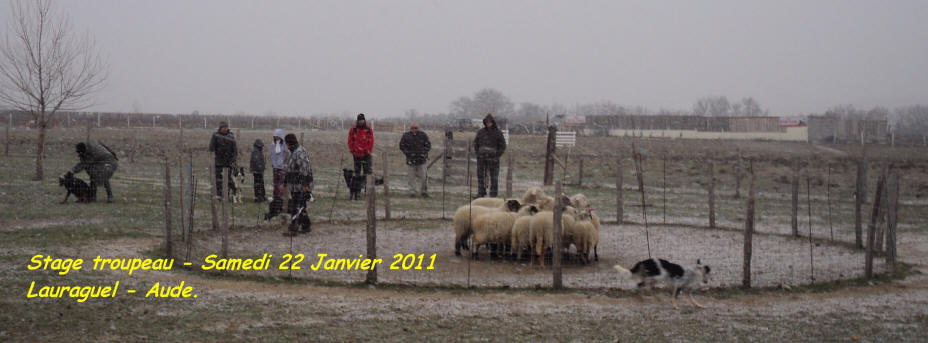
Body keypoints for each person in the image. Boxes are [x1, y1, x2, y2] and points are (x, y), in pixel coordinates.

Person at [283, 133, 314, 236]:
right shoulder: (293, 152)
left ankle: (293, 229)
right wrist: (285, 181)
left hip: (301, 186)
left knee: (296, 206)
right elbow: (290, 169)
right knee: (301, 206)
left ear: (289, 143)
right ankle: (306, 225)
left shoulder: (299, 152)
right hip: (295, 185)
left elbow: (305, 169)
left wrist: (305, 185)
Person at [473, 113, 506, 198]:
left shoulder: (498, 133)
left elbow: (503, 146)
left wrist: (497, 155)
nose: (488, 123)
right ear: (485, 122)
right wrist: (478, 153)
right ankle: (481, 192)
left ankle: (493, 194)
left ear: (493, 122)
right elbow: (475, 143)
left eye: (490, 122)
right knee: (480, 176)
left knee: (494, 178)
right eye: (487, 122)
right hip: (481, 159)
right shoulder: (481, 132)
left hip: (494, 159)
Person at [399, 122, 431, 197]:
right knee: (411, 178)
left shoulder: (423, 135)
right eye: (412, 128)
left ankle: (424, 191)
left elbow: (428, 145)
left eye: (416, 128)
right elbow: (401, 146)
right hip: (410, 160)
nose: (414, 130)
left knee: (424, 178)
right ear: (410, 128)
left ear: (418, 128)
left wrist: (423, 153)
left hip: (421, 160)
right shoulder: (406, 136)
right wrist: (407, 153)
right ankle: (412, 192)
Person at [347, 113, 374, 200]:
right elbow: (350, 140)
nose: (361, 122)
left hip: (366, 155)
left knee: (367, 174)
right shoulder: (353, 129)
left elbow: (371, 141)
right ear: (357, 120)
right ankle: (357, 191)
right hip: (356, 155)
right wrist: (353, 150)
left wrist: (367, 150)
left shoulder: (368, 129)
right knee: (357, 174)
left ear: (364, 120)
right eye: (360, 120)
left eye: (362, 120)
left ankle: (368, 191)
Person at [208, 121, 237, 198]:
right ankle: (219, 195)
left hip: (228, 162)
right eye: (223, 127)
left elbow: (235, 150)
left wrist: (233, 160)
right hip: (218, 162)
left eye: (226, 127)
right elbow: (211, 148)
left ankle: (226, 196)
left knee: (228, 180)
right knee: (218, 180)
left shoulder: (231, 136)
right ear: (220, 128)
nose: (225, 129)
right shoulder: (215, 136)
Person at [265, 129, 287, 219]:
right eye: (275, 137)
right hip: (275, 167)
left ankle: (281, 199)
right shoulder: (272, 145)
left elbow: (286, 154)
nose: (277, 138)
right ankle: (276, 198)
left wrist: (283, 163)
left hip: (282, 167)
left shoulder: (284, 145)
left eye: (278, 136)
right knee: (275, 183)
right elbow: (271, 154)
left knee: (281, 184)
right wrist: (273, 163)